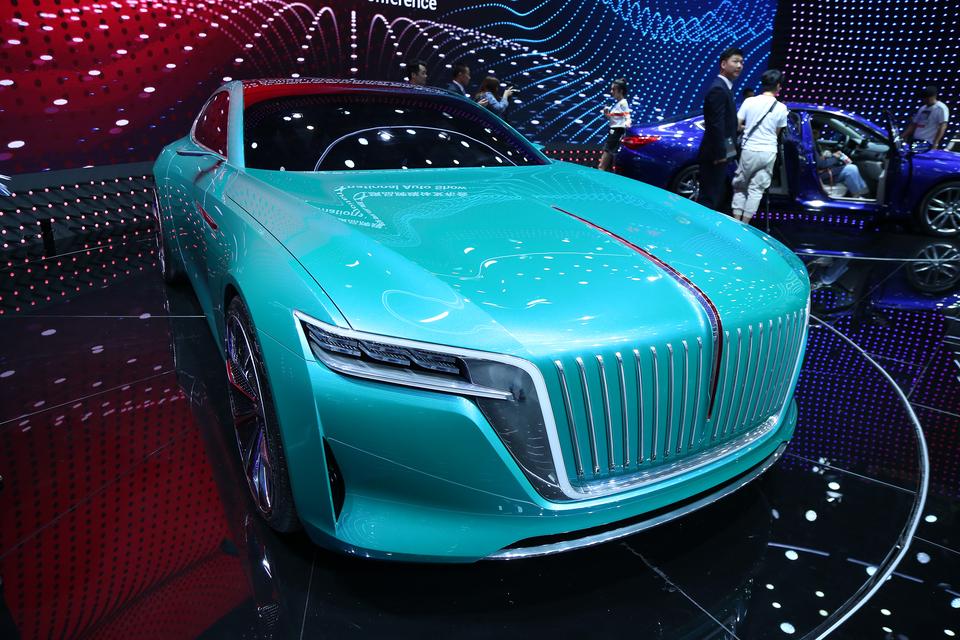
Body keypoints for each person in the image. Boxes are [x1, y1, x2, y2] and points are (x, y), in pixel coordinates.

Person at [730, 69, 789, 224]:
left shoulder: (749, 102)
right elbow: (777, 133)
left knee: (740, 186)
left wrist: (747, 128)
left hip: (750, 149)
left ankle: (736, 223)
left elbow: (737, 125)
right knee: (757, 189)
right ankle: (745, 224)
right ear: (778, 86)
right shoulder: (781, 108)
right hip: (768, 152)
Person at [697, 47, 744, 210]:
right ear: (723, 64)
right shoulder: (718, 88)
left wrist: (729, 152)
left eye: (741, 62)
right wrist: (721, 153)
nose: (739, 66)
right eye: (735, 61)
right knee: (709, 197)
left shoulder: (725, 87)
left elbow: (726, 125)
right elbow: (715, 125)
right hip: (715, 154)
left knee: (716, 193)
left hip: (723, 150)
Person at [812, 123, 869, 197]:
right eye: (815, 132)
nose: (818, 135)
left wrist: (828, 155)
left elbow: (819, 160)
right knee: (851, 169)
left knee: (851, 168)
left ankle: (863, 193)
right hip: (817, 175)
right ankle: (858, 197)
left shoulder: (814, 143)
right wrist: (836, 157)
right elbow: (821, 164)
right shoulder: (809, 144)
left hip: (820, 172)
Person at [598, 78, 631, 172]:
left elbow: (627, 116)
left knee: (602, 165)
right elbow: (615, 120)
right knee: (608, 164)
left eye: (613, 89)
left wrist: (628, 124)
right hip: (613, 132)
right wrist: (607, 114)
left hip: (616, 133)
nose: (611, 91)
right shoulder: (618, 104)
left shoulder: (623, 103)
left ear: (620, 91)